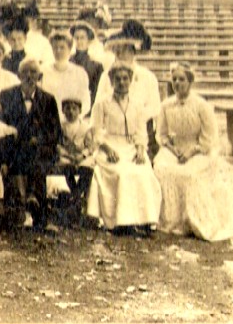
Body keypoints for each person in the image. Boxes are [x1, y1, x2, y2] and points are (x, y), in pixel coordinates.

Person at [153, 63, 233, 241]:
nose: (177, 83)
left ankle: (190, 220)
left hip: (199, 151)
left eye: (182, 79)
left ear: (190, 81)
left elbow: (209, 138)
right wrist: (173, 150)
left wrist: (192, 151)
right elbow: (162, 135)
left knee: (189, 174)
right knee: (161, 167)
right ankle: (170, 220)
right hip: (175, 149)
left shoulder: (201, 105)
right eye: (174, 79)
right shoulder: (166, 105)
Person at [86, 62, 162, 236]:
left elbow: (142, 133)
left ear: (131, 81)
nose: (122, 82)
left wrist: (141, 150)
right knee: (121, 173)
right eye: (118, 79)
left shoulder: (137, 105)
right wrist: (106, 148)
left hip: (132, 148)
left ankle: (144, 220)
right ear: (112, 81)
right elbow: (96, 132)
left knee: (143, 172)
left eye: (125, 78)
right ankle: (120, 221)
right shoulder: (102, 104)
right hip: (109, 147)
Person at [0, 59, 62, 232]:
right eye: (25, 72)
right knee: (20, 156)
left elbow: (55, 131)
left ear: (39, 76)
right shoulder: (6, 95)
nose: (29, 76)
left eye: (33, 72)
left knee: (36, 158)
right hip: (13, 147)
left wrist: (38, 139)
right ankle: (25, 209)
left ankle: (34, 209)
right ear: (18, 75)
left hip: (40, 149)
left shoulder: (48, 99)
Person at [95, 20, 161, 156]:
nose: (119, 54)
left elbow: (154, 107)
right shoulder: (106, 76)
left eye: (123, 49)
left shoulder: (147, 76)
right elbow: (99, 104)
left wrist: (134, 116)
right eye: (116, 50)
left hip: (141, 131)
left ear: (132, 51)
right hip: (112, 131)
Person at [57, 98, 96, 226]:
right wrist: (66, 154)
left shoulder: (85, 127)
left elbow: (90, 146)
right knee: (65, 167)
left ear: (80, 111)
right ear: (63, 110)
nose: (71, 112)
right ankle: (77, 198)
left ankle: (75, 196)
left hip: (81, 157)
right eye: (67, 108)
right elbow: (57, 144)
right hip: (66, 156)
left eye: (74, 109)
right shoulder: (60, 126)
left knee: (87, 169)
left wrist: (82, 155)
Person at [42, 31, 92, 119]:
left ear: (69, 49)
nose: (58, 51)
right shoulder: (43, 71)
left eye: (62, 47)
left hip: (73, 120)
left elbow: (85, 102)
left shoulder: (80, 72)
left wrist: (73, 118)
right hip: (48, 119)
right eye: (55, 47)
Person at [69, 20, 105, 107]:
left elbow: (98, 91)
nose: (79, 41)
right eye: (76, 38)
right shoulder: (68, 61)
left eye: (82, 38)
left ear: (88, 40)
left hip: (89, 105)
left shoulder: (96, 65)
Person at [22, 2, 55, 67]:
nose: (33, 22)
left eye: (34, 20)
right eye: (28, 20)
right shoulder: (21, 36)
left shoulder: (43, 40)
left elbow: (49, 61)